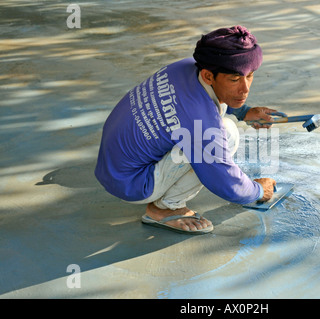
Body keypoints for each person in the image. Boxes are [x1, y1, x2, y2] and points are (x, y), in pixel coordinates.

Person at [95, 26, 278, 234]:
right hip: (133, 183)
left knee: (210, 127)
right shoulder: (199, 120)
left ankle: (163, 201)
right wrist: (257, 191)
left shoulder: (187, 67)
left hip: (112, 166)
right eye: (235, 80)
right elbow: (223, 181)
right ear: (209, 76)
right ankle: (164, 209)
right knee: (228, 132)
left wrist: (244, 111)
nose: (245, 88)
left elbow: (190, 105)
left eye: (250, 76)